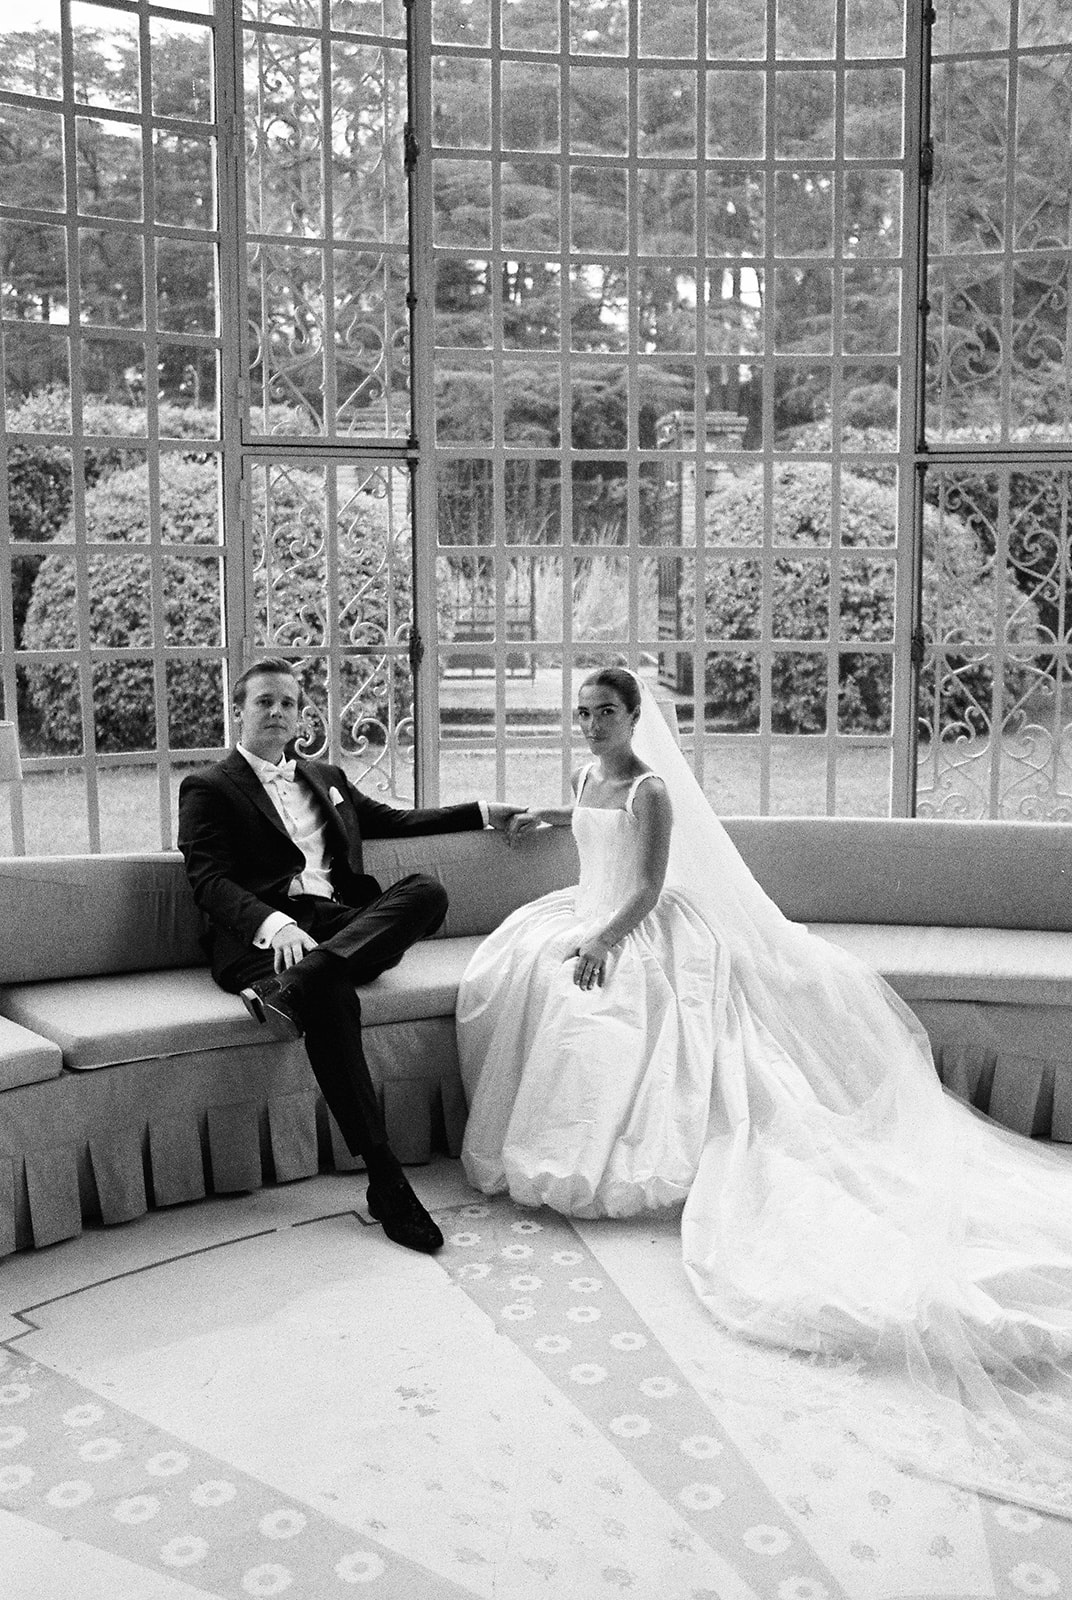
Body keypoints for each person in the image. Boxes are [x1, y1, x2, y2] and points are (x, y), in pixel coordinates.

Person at [457, 664, 1072, 1519]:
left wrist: (603, 940)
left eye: (608, 713)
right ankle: (556, 1134)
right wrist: (547, 818)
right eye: (585, 714)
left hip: (633, 924)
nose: (594, 725)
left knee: (596, 1007)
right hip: (582, 910)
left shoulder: (653, 791)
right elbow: (587, 822)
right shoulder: (586, 774)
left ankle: (615, 1146)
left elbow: (644, 885)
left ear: (638, 717)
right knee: (517, 973)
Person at [178, 656, 520, 1256]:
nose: (278, 711)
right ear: (239, 711)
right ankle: (386, 1178)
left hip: (339, 925)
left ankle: (298, 986)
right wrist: (274, 922)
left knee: (427, 891)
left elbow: (393, 819)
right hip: (265, 941)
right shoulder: (208, 787)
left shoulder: (325, 775)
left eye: (289, 702)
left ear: (302, 716)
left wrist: (483, 814)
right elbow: (209, 882)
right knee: (333, 998)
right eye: (265, 701)